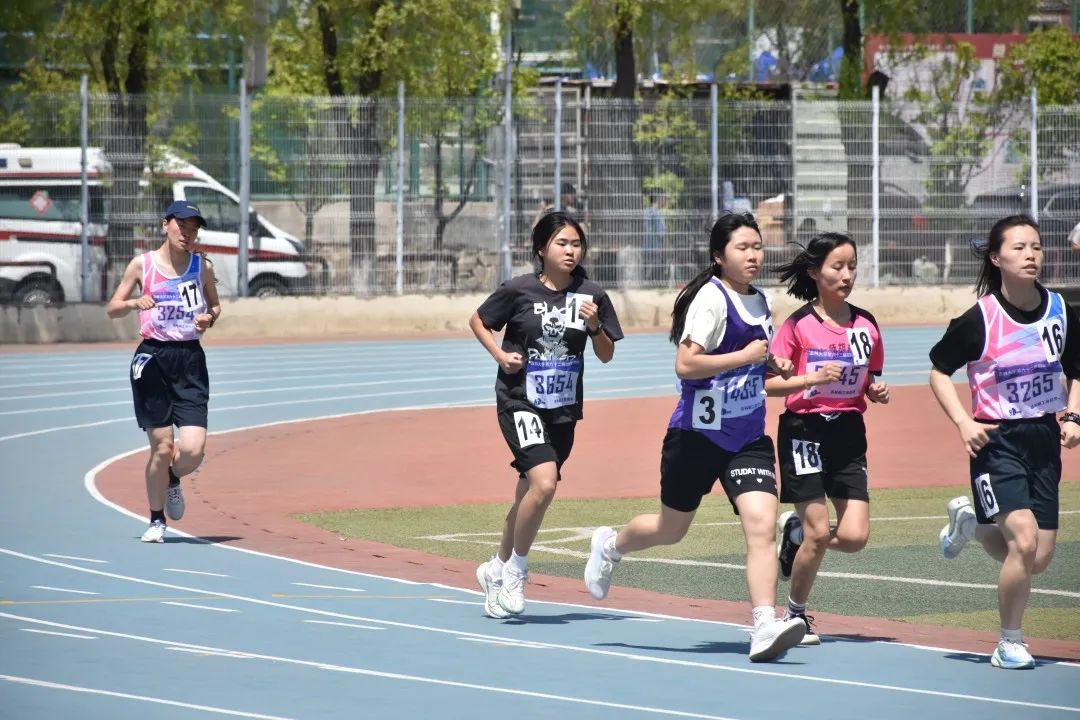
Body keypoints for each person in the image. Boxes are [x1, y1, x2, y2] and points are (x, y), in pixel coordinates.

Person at [583, 211, 807, 663]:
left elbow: (751, 357)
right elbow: (686, 365)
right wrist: (746, 355)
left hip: (747, 437)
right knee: (671, 529)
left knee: (762, 525)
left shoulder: (761, 300)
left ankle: (764, 623)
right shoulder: (711, 299)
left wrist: (771, 363)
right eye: (743, 248)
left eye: (758, 247)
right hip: (697, 436)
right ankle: (610, 545)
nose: (754, 255)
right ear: (719, 256)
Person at [930, 215, 1080, 670]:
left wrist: (1073, 414)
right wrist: (963, 422)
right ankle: (1009, 642)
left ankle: (969, 524)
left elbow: (1076, 368)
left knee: (1038, 557)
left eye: (1036, 246)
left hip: (1043, 437)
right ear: (996, 258)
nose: (1030, 254)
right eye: (1019, 247)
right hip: (996, 441)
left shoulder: (1061, 310)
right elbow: (939, 372)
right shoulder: (980, 318)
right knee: (1025, 540)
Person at [471, 211, 623, 618]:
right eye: (562, 243)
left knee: (530, 493)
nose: (571, 250)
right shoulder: (519, 290)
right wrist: (500, 355)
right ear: (541, 248)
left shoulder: (591, 295)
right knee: (544, 482)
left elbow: (607, 355)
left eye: (576, 244)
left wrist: (595, 327)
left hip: (563, 409)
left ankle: (495, 568)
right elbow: (479, 320)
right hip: (519, 400)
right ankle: (516, 572)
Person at [765, 232, 889, 646]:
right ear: (815, 272)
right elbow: (768, 383)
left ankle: (795, 535)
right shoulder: (797, 326)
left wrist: (875, 390)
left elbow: (868, 377)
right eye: (837, 267)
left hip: (848, 432)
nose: (847, 274)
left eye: (852, 266)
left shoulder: (866, 325)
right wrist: (811, 379)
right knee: (819, 531)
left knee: (854, 538)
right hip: (804, 431)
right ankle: (795, 615)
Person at [106, 200, 221, 543]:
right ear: (165, 225)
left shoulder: (202, 267)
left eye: (193, 229)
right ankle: (156, 520)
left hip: (189, 360)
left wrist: (209, 318)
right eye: (181, 226)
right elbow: (113, 307)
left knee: (193, 450)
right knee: (162, 446)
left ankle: (172, 478)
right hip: (152, 359)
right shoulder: (142, 265)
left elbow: (215, 305)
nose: (187, 234)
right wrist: (133, 303)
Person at [643, 190, 667, 284]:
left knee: (647, 267)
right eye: (664, 198)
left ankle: (647, 281)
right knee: (654, 269)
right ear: (659, 199)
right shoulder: (657, 214)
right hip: (655, 247)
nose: (665, 201)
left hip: (645, 246)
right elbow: (661, 233)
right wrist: (665, 244)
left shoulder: (645, 212)